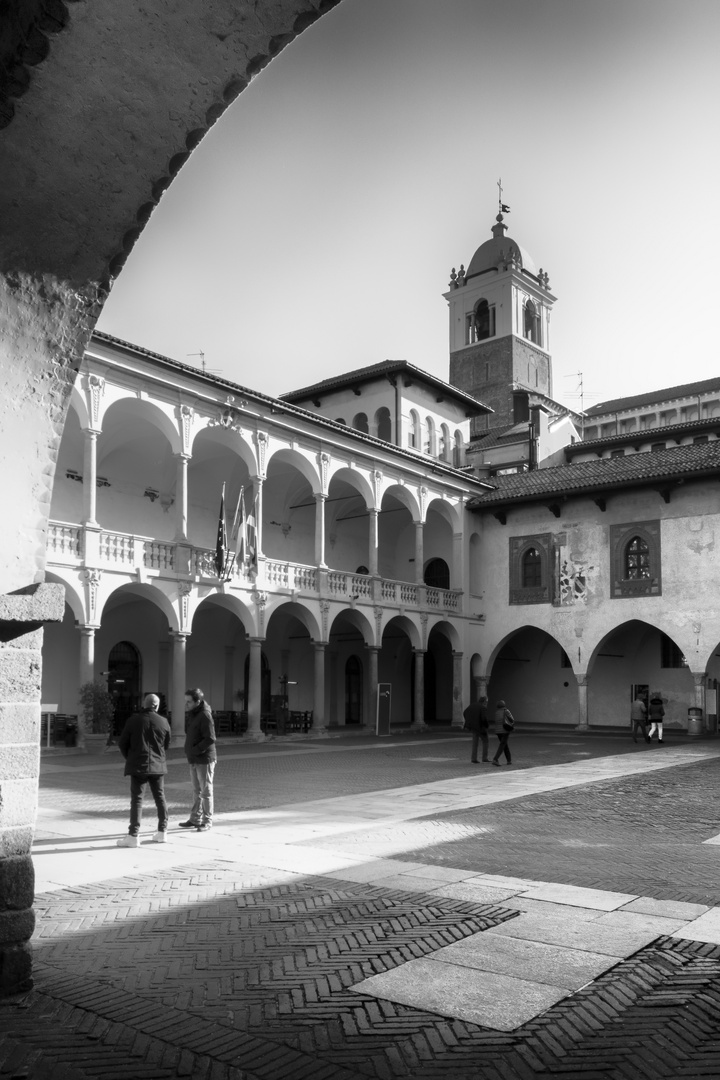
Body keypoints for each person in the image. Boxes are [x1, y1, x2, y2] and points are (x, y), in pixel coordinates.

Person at [116, 693, 171, 847]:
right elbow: (166, 744)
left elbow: (122, 743)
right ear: (157, 706)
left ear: (144, 704)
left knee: (137, 800)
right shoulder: (164, 722)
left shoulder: (133, 720)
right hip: (157, 765)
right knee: (160, 797)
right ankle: (162, 832)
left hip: (138, 765)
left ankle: (133, 835)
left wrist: (130, 757)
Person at [178, 688, 217, 831]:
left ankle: (207, 821)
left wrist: (196, 750)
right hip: (194, 758)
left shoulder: (205, 715)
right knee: (196, 790)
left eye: (189, 702)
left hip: (204, 759)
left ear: (197, 702)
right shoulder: (193, 714)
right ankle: (195, 818)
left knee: (206, 791)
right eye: (185, 701)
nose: (186, 705)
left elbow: (211, 738)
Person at [464, 695, 490, 763]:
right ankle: (484, 758)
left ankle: (474, 758)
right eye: (486, 701)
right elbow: (484, 718)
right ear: (484, 701)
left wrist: (469, 721)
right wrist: (487, 725)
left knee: (475, 743)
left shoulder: (472, 705)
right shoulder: (482, 707)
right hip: (480, 727)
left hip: (473, 727)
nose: (486, 703)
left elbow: (465, 712)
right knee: (485, 741)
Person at [491, 699, 514, 766]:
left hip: (498, 731)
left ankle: (509, 760)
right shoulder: (506, 711)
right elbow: (512, 720)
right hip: (505, 730)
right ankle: (495, 759)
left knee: (504, 745)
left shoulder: (497, 712)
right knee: (502, 745)